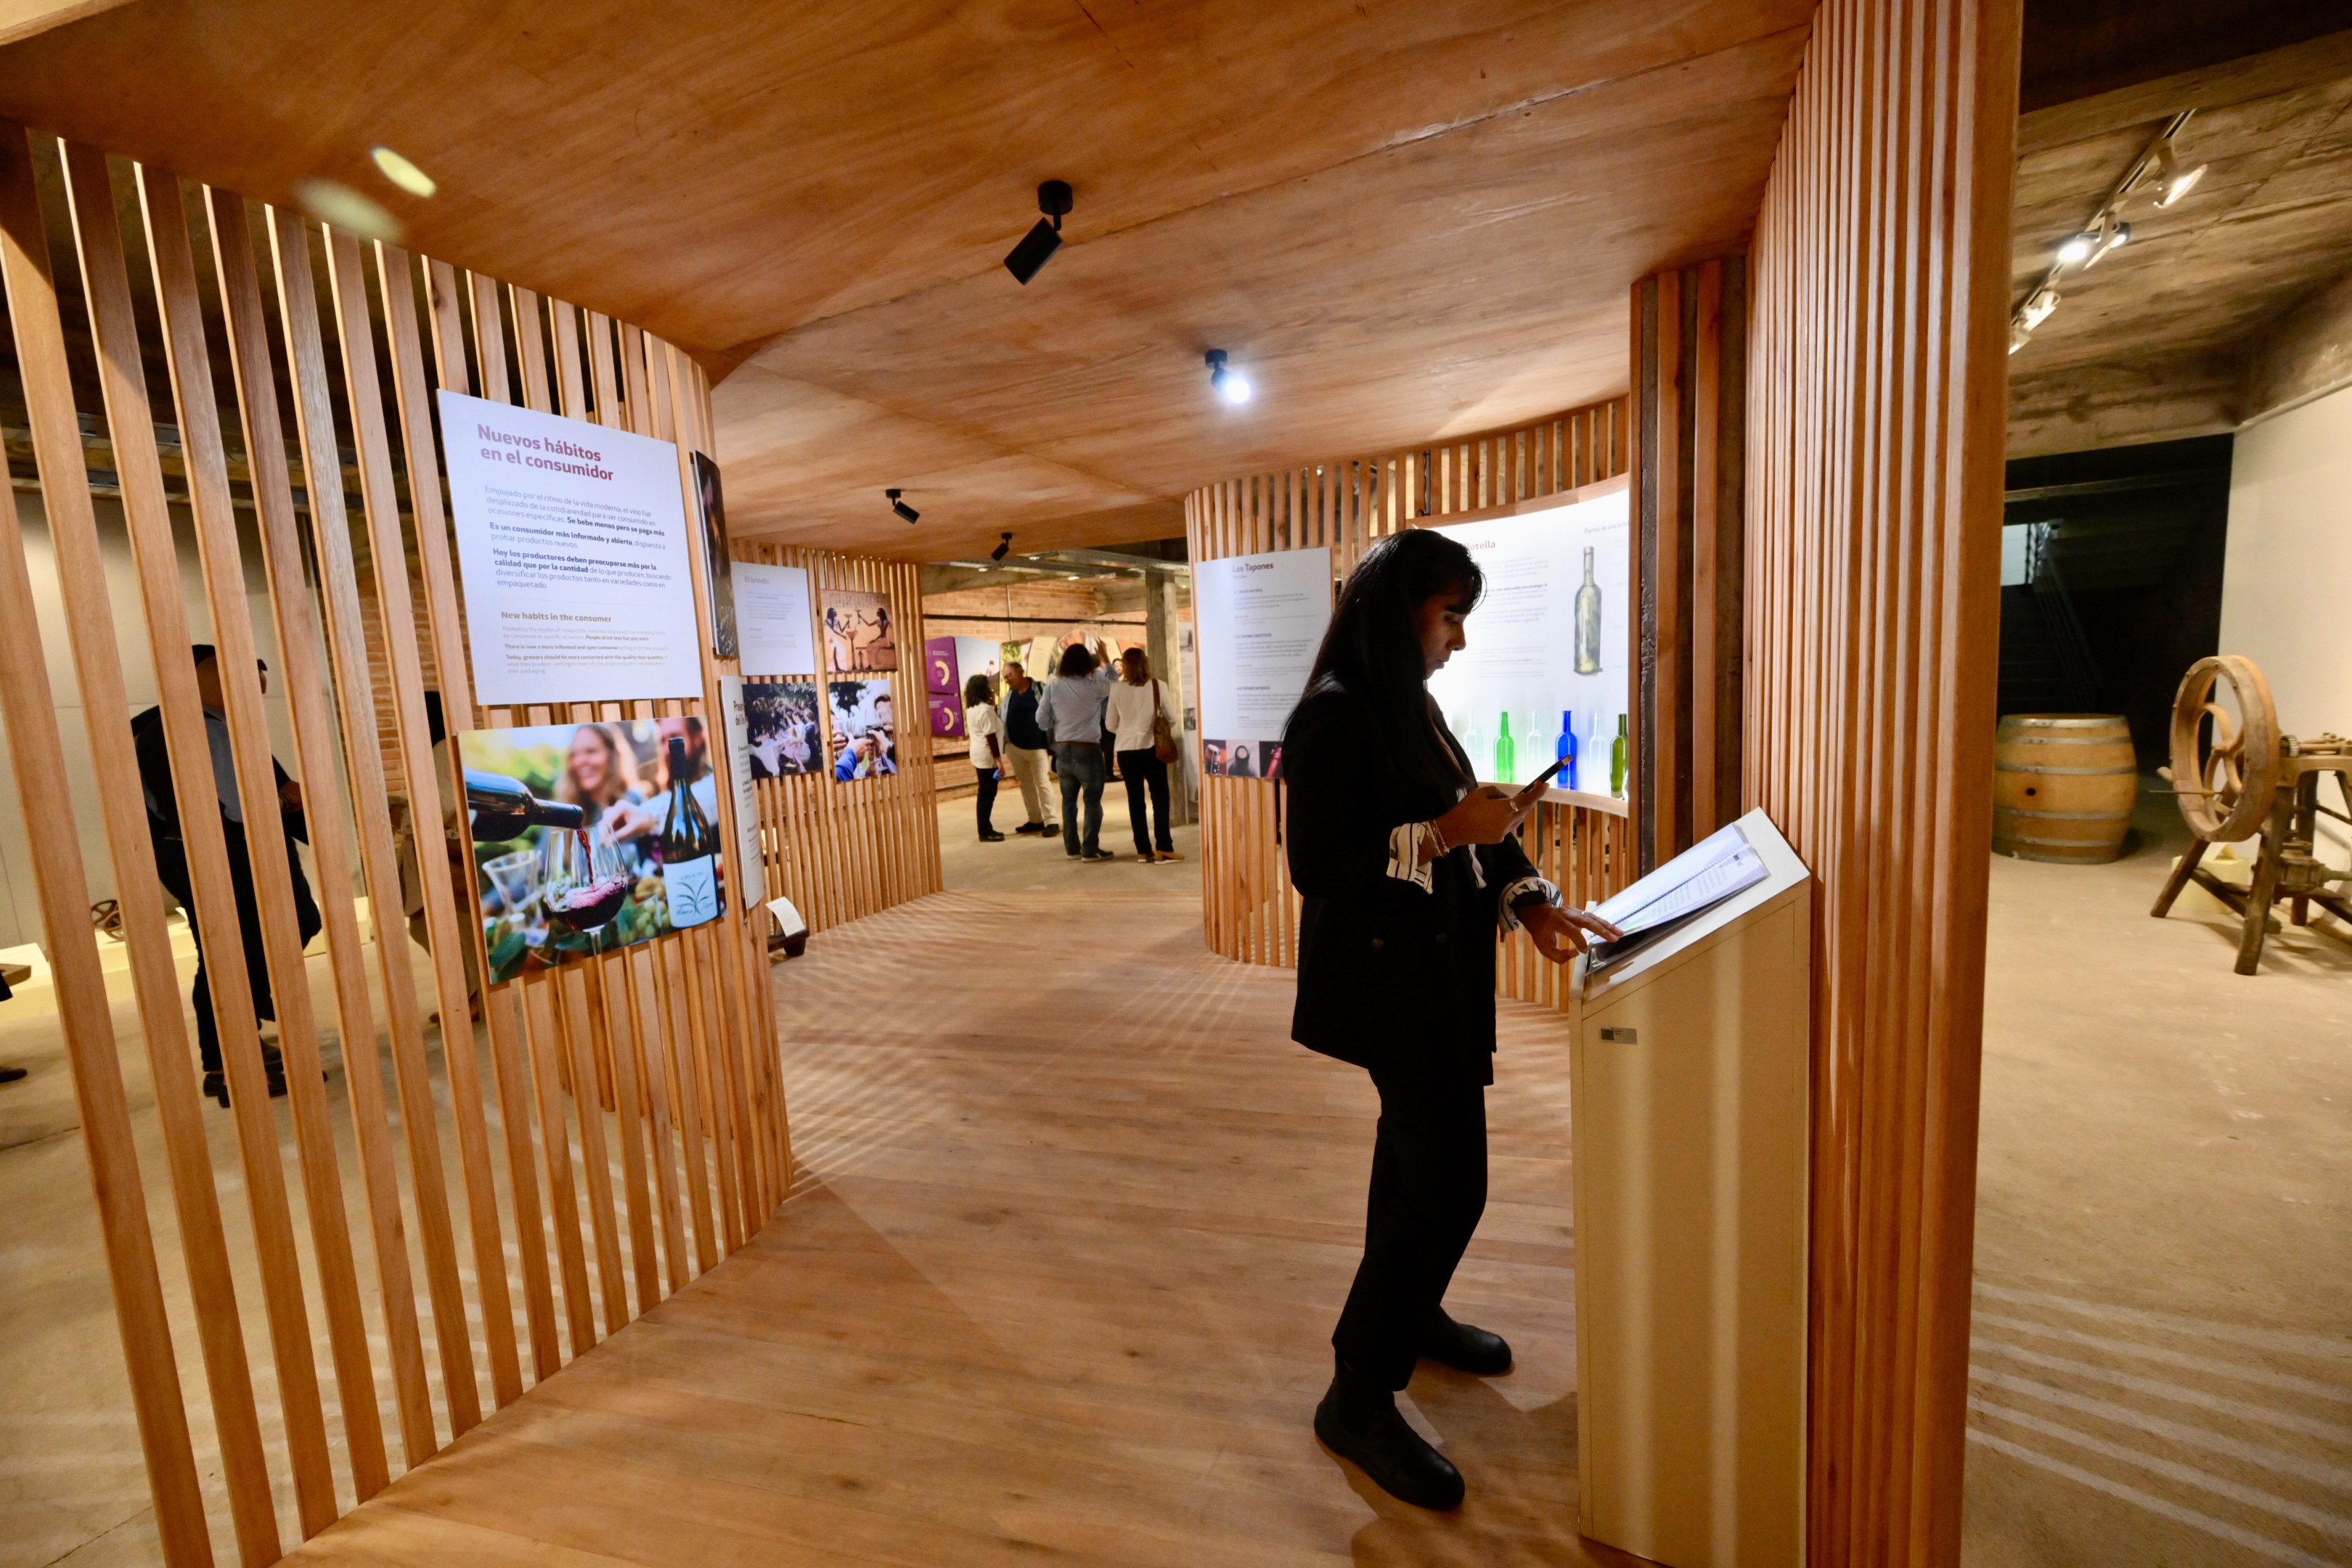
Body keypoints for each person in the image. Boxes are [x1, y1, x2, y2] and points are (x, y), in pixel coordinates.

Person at [1281, 529, 1621, 1511]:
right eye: (1450, 616)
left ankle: (1412, 1311)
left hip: (1432, 981)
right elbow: (1319, 866)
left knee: (1415, 1170)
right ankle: (1357, 1392)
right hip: (1391, 989)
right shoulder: (1336, 713)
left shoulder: (1409, 702)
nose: (1458, 640)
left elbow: (1477, 822)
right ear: (1402, 615)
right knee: (1447, 1190)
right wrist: (1442, 833)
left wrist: (1535, 899)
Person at [131, 645, 322, 1108]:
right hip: (218, 856)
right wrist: (287, 800)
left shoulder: (205, 725)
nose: (253, 691)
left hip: (222, 854)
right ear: (199, 678)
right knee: (229, 954)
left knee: (271, 935)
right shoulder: (190, 729)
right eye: (238, 679)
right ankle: (226, 1063)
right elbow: (232, 807)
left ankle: (244, 1022)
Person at [1034, 642, 1116, 861]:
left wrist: (1056, 723)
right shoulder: (1094, 686)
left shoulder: (1053, 687)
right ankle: (1090, 849)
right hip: (1088, 750)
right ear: (1088, 664)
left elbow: (1040, 719)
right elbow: (1114, 684)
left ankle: (1072, 849)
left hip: (1062, 750)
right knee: (1092, 801)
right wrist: (1106, 658)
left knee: (1068, 802)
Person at [1106, 648, 1182, 864]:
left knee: (1135, 800)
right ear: (1146, 663)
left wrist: (1126, 730)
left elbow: (1110, 724)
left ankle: (1143, 850)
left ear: (1125, 666)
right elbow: (1172, 718)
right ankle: (1164, 848)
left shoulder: (1117, 689)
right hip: (1152, 749)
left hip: (1126, 751)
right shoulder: (1158, 686)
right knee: (1160, 798)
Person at [998, 661, 1055, 836]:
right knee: (1026, 784)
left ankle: (1051, 820)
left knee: (1042, 781)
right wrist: (1006, 745)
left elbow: (1054, 714)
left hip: (1038, 746)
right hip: (1015, 747)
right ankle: (1035, 819)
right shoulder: (1009, 697)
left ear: (1020, 672)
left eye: (1010, 675)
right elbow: (1003, 719)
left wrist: (1054, 743)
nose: (1008, 680)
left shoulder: (1041, 689)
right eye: (1005, 677)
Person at [963, 673, 1007, 841]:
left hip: (978, 754)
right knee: (987, 794)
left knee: (985, 793)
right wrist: (999, 761)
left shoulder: (972, 709)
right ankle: (985, 831)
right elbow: (991, 737)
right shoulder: (985, 710)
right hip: (987, 756)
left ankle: (986, 828)